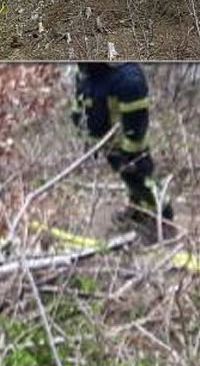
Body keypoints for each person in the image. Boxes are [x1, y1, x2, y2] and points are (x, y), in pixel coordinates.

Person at [74, 63, 175, 240]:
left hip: (127, 144)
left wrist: (130, 153)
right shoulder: (86, 71)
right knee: (128, 179)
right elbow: (82, 102)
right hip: (107, 141)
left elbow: (136, 122)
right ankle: (138, 208)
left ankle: (163, 217)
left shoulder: (127, 79)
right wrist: (85, 132)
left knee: (141, 178)